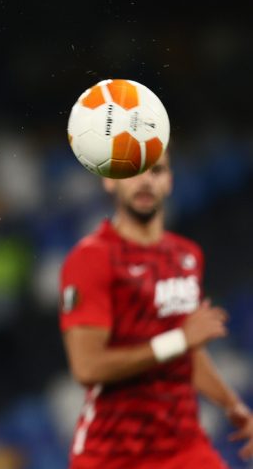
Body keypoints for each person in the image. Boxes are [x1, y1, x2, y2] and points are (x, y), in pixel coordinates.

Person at [59, 150, 253, 468]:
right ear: (111, 182)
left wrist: (233, 406)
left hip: (184, 446)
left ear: (170, 181)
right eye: (134, 172)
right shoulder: (90, 260)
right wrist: (179, 340)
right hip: (114, 453)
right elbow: (87, 367)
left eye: (156, 171)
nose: (146, 181)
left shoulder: (186, 256)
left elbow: (187, 353)